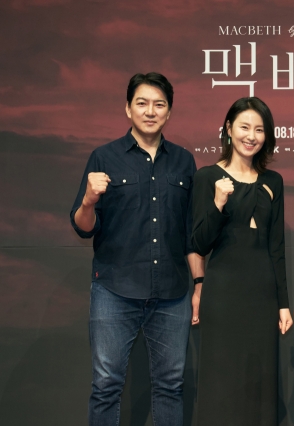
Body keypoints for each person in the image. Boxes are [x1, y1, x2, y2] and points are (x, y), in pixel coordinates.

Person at [70, 72, 205, 426]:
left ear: (169, 112)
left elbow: (191, 232)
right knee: (106, 385)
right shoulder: (104, 157)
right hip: (115, 289)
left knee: (170, 386)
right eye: (142, 103)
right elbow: (84, 227)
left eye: (159, 104)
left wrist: (199, 284)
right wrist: (87, 199)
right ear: (127, 109)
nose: (150, 111)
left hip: (172, 292)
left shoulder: (183, 162)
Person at [191, 97, 293, 425]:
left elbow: (276, 248)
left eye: (259, 129)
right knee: (221, 381)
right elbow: (198, 242)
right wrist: (218, 203)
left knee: (259, 382)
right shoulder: (207, 177)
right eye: (245, 127)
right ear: (228, 129)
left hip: (262, 296)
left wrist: (282, 304)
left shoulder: (272, 182)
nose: (251, 136)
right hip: (222, 294)